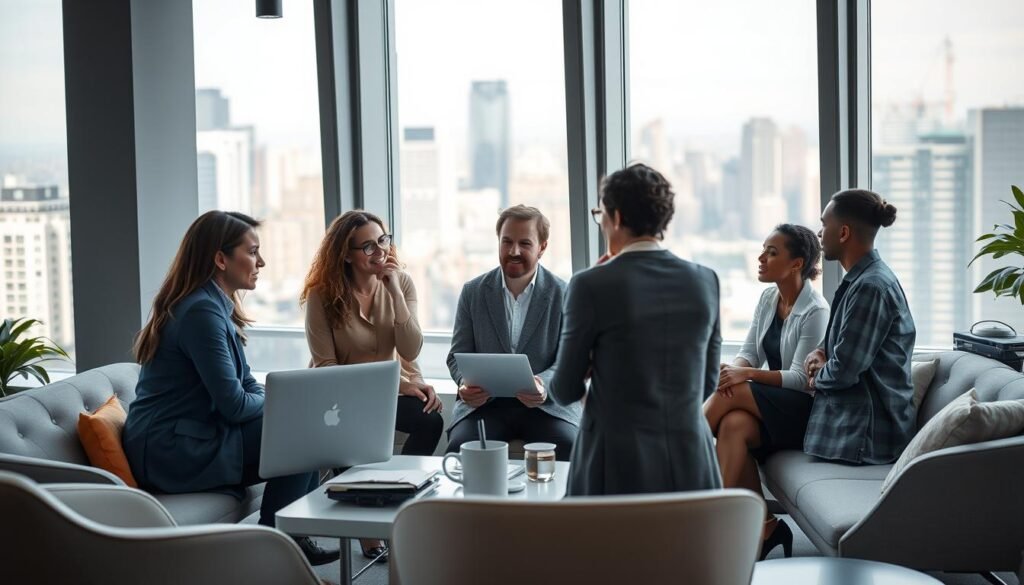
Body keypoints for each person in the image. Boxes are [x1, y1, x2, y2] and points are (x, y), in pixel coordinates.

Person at [123, 211, 338, 566]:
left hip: (194, 433)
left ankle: (285, 543)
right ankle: (272, 553)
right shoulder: (200, 314)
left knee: (303, 433)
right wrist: (286, 406)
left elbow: (246, 384)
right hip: (170, 449)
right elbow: (235, 406)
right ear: (220, 259)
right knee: (302, 438)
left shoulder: (212, 305)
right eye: (253, 252)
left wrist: (286, 402)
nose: (261, 262)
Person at [549, 163, 723, 496]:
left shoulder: (590, 284)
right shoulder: (706, 280)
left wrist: (589, 374)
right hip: (691, 457)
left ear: (615, 217)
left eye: (600, 213)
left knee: (611, 548)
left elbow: (563, 389)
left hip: (614, 459)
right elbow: (706, 384)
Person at [301, 210, 441, 561]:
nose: (380, 251)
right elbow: (326, 367)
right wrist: (398, 387)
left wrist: (393, 292)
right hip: (338, 397)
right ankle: (368, 530)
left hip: (386, 391)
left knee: (429, 418)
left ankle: (399, 499)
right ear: (345, 254)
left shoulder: (401, 283)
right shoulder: (322, 295)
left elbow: (409, 350)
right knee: (348, 441)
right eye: (367, 246)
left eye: (383, 240)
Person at [702, 224, 828, 559]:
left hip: (803, 413)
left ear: (796, 263)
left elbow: (802, 379)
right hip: (770, 408)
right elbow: (748, 352)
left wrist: (742, 374)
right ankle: (766, 527)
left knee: (740, 388)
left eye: (772, 252)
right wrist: (730, 370)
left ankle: (686, 457)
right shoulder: (769, 297)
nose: (760, 258)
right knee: (734, 426)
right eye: (763, 249)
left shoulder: (815, 309)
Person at [446, 205, 581, 460]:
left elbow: (570, 362)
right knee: (459, 450)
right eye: (506, 242)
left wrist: (543, 386)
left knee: (570, 447)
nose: (514, 251)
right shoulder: (473, 292)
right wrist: (464, 384)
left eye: (524, 243)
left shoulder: (565, 294)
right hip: (485, 406)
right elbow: (456, 356)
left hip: (547, 407)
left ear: (542, 247)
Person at [803, 189, 917, 465]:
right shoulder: (861, 281)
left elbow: (843, 371)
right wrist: (820, 352)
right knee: (739, 421)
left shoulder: (870, 287)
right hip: (847, 419)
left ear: (843, 233)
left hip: (866, 436)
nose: (819, 233)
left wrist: (816, 377)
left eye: (823, 224)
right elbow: (841, 342)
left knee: (742, 405)